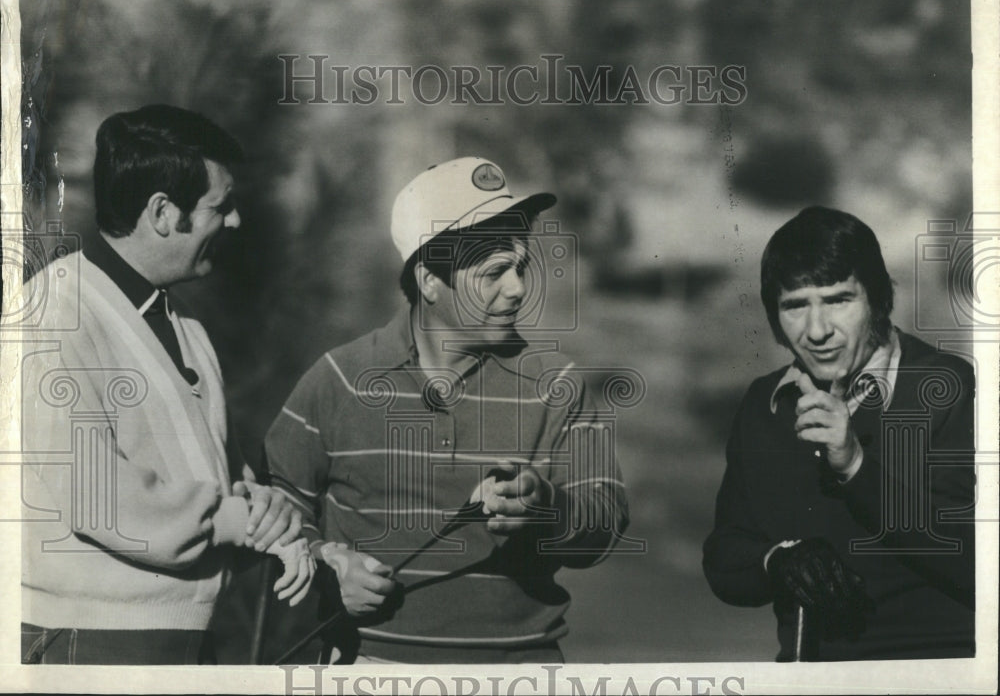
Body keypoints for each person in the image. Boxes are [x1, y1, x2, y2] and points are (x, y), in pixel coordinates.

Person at [265, 157, 629, 664]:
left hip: (521, 671)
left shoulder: (558, 384)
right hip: (368, 669)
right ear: (429, 280)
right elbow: (276, 505)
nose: (519, 288)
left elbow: (606, 521)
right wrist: (327, 562)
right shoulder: (339, 378)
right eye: (495, 272)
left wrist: (548, 509)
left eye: (521, 267)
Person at [20, 104, 314, 665]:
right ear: (161, 212)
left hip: (179, 641)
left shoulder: (186, 328)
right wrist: (233, 519)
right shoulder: (53, 314)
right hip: (91, 646)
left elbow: (219, 482)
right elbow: (97, 498)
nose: (234, 222)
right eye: (219, 207)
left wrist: (267, 515)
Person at [703, 206, 975, 661]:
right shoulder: (764, 403)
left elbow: (974, 563)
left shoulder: (945, 385)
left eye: (838, 300)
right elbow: (724, 560)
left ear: (878, 298)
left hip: (934, 668)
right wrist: (779, 561)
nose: (817, 331)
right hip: (806, 672)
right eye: (794, 306)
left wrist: (854, 465)